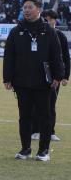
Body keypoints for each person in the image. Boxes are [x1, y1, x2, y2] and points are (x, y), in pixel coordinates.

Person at [3, 0, 64, 161]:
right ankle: (25, 149)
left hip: (44, 83)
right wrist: (7, 78)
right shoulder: (16, 31)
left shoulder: (48, 31)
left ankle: (43, 151)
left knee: (44, 117)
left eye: (30, 7)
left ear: (38, 9)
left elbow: (56, 55)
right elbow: (9, 56)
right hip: (22, 82)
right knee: (25, 117)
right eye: (24, 8)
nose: (26, 10)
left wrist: (58, 76)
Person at [30, 9, 70, 142]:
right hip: (38, 74)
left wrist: (65, 76)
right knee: (36, 103)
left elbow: (66, 58)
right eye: (45, 19)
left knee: (51, 103)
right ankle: (35, 130)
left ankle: (50, 131)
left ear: (54, 20)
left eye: (50, 19)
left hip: (55, 76)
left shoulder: (60, 36)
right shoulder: (37, 34)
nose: (47, 22)